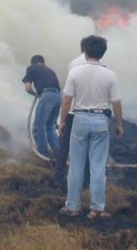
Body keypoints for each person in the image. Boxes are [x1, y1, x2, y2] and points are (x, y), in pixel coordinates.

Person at [58, 35, 124, 219]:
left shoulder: (75, 73)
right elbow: (116, 103)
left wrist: (62, 121)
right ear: (102, 53)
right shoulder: (110, 74)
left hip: (79, 119)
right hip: (100, 121)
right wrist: (119, 124)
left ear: (85, 52)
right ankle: (96, 209)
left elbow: (66, 100)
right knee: (97, 167)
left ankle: (72, 207)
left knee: (76, 166)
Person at [53, 38, 87, 186]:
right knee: (86, 147)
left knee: (65, 145)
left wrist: (62, 120)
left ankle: (59, 178)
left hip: (73, 111)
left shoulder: (74, 64)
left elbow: (68, 97)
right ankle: (85, 181)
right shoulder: (103, 66)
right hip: (90, 114)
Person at [22, 55, 62, 158]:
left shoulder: (32, 68)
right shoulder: (50, 70)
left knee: (39, 127)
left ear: (33, 63)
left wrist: (35, 94)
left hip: (46, 96)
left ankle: (43, 154)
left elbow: (27, 87)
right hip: (58, 97)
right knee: (50, 126)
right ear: (43, 62)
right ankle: (60, 153)